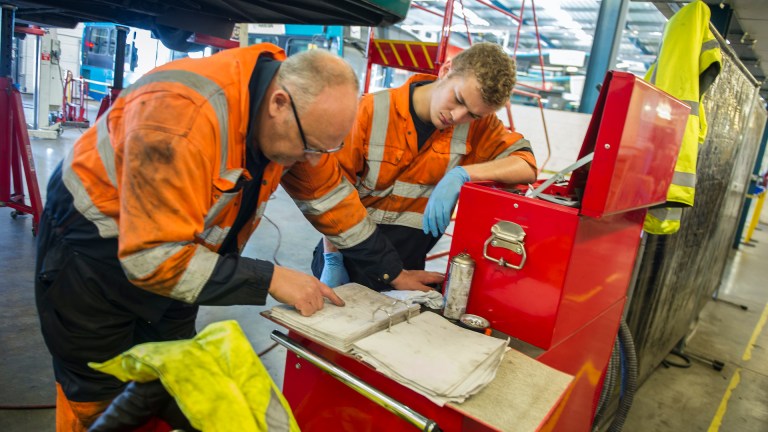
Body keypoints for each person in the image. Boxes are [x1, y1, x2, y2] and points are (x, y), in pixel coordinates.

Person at [35, 44, 439, 431]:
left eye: (326, 148)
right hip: (92, 261)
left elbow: (329, 198)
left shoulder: (292, 122)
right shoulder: (181, 118)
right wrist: (271, 279)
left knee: (176, 376)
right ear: (279, 103)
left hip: (184, 258)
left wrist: (391, 272)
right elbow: (151, 259)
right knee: (101, 401)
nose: (312, 160)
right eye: (310, 146)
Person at [291, 42, 537, 289]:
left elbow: (526, 165)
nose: (457, 117)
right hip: (348, 259)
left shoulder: (478, 127)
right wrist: (332, 259)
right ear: (446, 70)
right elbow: (333, 192)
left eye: (472, 114)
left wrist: (463, 174)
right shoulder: (370, 112)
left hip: (408, 269)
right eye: (458, 99)